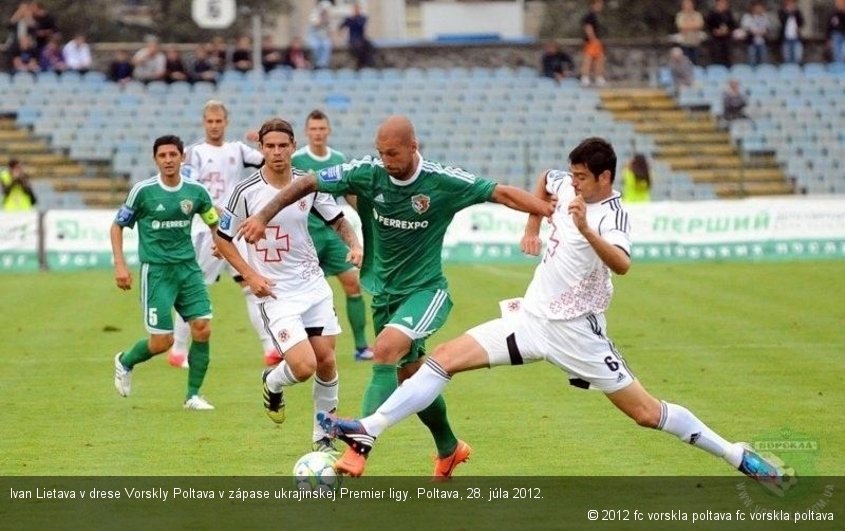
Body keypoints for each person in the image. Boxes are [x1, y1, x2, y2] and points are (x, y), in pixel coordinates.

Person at [318, 138, 795, 496]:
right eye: (574, 176)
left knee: (646, 414)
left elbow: (623, 265)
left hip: (577, 335)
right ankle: (371, 428)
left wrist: (587, 230)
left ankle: (737, 455)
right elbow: (546, 180)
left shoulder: (611, 216)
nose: (574, 184)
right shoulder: (567, 182)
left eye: (583, 178)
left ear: (604, 178)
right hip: (531, 320)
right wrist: (532, 224)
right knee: (442, 358)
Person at [236, 115, 555, 479]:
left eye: (393, 153)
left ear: (412, 147)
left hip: (425, 291)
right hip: (385, 293)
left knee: (385, 350)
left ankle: (359, 446)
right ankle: (449, 448)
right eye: (381, 153)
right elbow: (308, 181)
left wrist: (546, 210)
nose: (386, 161)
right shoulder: (368, 173)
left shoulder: (442, 181)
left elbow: (500, 192)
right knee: (411, 377)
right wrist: (262, 215)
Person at [216, 117, 362, 453]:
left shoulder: (307, 184)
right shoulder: (245, 191)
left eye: (283, 145)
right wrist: (250, 276)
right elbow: (223, 239)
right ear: (261, 149)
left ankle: (323, 441)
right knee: (304, 365)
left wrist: (353, 245)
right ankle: (273, 381)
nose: (277, 152)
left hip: (313, 286)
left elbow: (338, 219)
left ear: (294, 147)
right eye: (270, 146)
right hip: (276, 293)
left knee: (326, 361)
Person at [111, 135, 218, 410]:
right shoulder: (143, 191)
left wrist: (219, 242)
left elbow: (213, 221)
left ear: (182, 157)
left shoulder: (196, 192)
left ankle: (193, 395)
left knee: (203, 328)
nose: (168, 160)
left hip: (188, 269)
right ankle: (125, 361)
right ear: (155, 159)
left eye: (173, 155)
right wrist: (120, 265)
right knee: (162, 342)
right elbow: (117, 226)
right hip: (157, 272)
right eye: (163, 156)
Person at [169, 100, 273, 368]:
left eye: (219, 121)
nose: (214, 126)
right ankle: (178, 350)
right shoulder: (194, 153)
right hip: (208, 229)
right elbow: (188, 186)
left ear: (226, 122)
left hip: (235, 230)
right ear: (204, 123)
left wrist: (262, 140)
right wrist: (212, 210)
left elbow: (272, 161)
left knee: (252, 286)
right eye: (210, 121)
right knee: (195, 288)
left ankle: (270, 347)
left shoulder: (237, 149)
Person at [292, 109, 373, 361]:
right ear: (307, 132)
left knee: (353, 284)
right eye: (313, 129)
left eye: (322, 129)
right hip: (308, 236)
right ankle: (298, 345)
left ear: (328, 131)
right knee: (303, 292)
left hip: (335, 235)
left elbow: (349, 193)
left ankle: (361, 346)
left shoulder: (338, 158)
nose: (317, 133)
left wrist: (369, 214)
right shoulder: (296, 159)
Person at [340, 2, 374, 69]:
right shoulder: (349, 19)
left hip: (361, 38)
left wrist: (354, 18)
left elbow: (361, 24)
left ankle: (368, 63)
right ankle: (361, 64)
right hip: (353, 39)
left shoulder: (362, 18)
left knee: (371, 47)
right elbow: (341, 26)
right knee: (359, 48)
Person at [579, 0, 606, 87]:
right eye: (599, 4)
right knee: (588, 59)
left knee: (600, 58)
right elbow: (588, 28)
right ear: (593, 4)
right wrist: (593, 39)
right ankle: (585, 77)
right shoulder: (589, 15)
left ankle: (598, 77)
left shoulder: (595, 15)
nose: (601, 6)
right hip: (591, 41)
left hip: (596, 40)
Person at [705, 0, 737, 67]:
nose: (723, 4)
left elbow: (733, 25)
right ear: (717, 3)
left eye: (724, 3)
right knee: (716, 51)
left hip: (727, 37)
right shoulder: (712, 14)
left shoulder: (728, 13)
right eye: (721, 2)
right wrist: (715, 31)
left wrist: (727, 30)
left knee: (728, 52)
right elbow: (708, 26)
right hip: (715, 38)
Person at [674, 0, 706, 65]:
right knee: (685, 62)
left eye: (689, 4)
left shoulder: (697, 15)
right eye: (685, 4)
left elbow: (699, 25)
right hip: (684, 43)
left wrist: (688, 26)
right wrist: (692, 26)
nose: (688, 6)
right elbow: (681, 27)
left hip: (696, 42)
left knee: (696, 61)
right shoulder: (680, 15)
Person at [740, 0, 771, 66]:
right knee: (752, 61)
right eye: (758, 7)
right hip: (751, 43)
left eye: (761, 7)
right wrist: (752, 32)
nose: (759, 9)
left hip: (762, 42)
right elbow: (744, 29)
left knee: (764, 61)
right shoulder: (747, 17)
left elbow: (768, 28)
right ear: (753, 8)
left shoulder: (765, 16)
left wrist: (764, 32)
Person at [308, 0, 334, 69]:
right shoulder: (314, 14)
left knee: (326, 45)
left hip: (323, 37)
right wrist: (322, 18)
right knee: (316, 46)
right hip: (314, 37)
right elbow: (315, 24)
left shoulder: (329, 17)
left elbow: (330, 30)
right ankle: (316, 64)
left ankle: (323, 64)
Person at [778, 0, 804, 64]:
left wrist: (795, 12)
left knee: (797, 57)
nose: (791, 4)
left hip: (796, 38)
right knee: (787, 58)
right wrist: (788, 12)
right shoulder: (781, 12)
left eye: (793, 3)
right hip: (785, 39)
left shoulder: (797, 12)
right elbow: (782, 21)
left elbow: (801, 23)